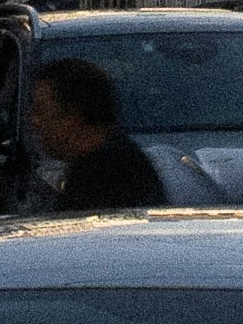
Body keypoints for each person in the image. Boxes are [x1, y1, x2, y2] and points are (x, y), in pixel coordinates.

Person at [30, 58, 167, 212]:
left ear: (74, 115)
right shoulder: (106, 163)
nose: (34, 121)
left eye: (41, 110)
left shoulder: (107, 178)